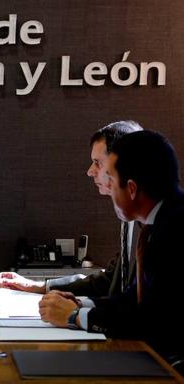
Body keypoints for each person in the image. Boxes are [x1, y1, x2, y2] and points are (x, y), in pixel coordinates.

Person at [39, 130, 184, 365]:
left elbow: (152, 322)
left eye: (112, 180)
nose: (108, 187)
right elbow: (134, 299)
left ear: (132, 188)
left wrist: (76, 317)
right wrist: (81, 303)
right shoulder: (163, 221)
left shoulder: (174, 232)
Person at [0, 121, 142, 296]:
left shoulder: (155, 223)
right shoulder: (130, 218)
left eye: (97, 162)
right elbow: (111, 281)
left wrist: (77, 315)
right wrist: (39, 286)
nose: (90, 171)